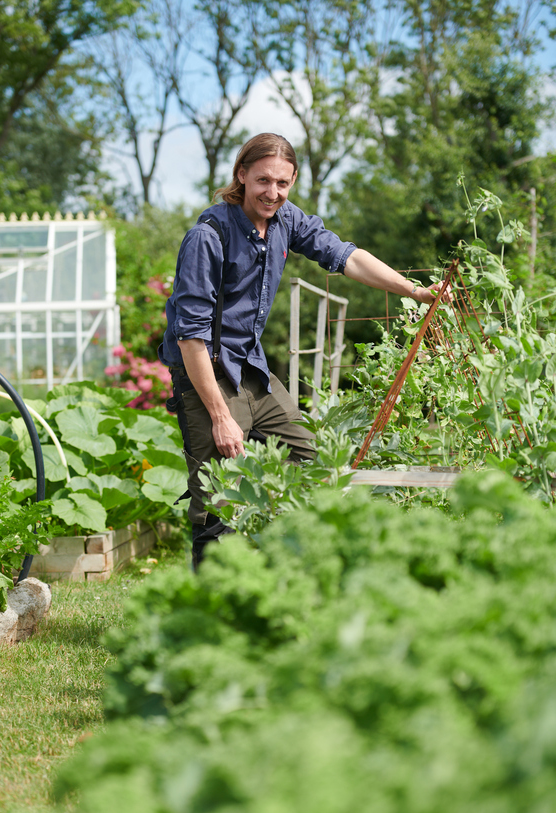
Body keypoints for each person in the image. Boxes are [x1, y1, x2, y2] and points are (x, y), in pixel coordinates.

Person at [159, 133, 442, 566]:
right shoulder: (208, 236)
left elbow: (345, 256)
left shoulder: (285, 220)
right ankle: (213, 616)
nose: (273, 193)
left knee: (310, 459)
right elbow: (190, 335)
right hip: (207, 372)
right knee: (219, 497)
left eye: (283, 183)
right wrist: (219, 417)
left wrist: (414, 290)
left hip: (250, 366)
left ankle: (276, 561)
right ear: (242, 176)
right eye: (263, 181)